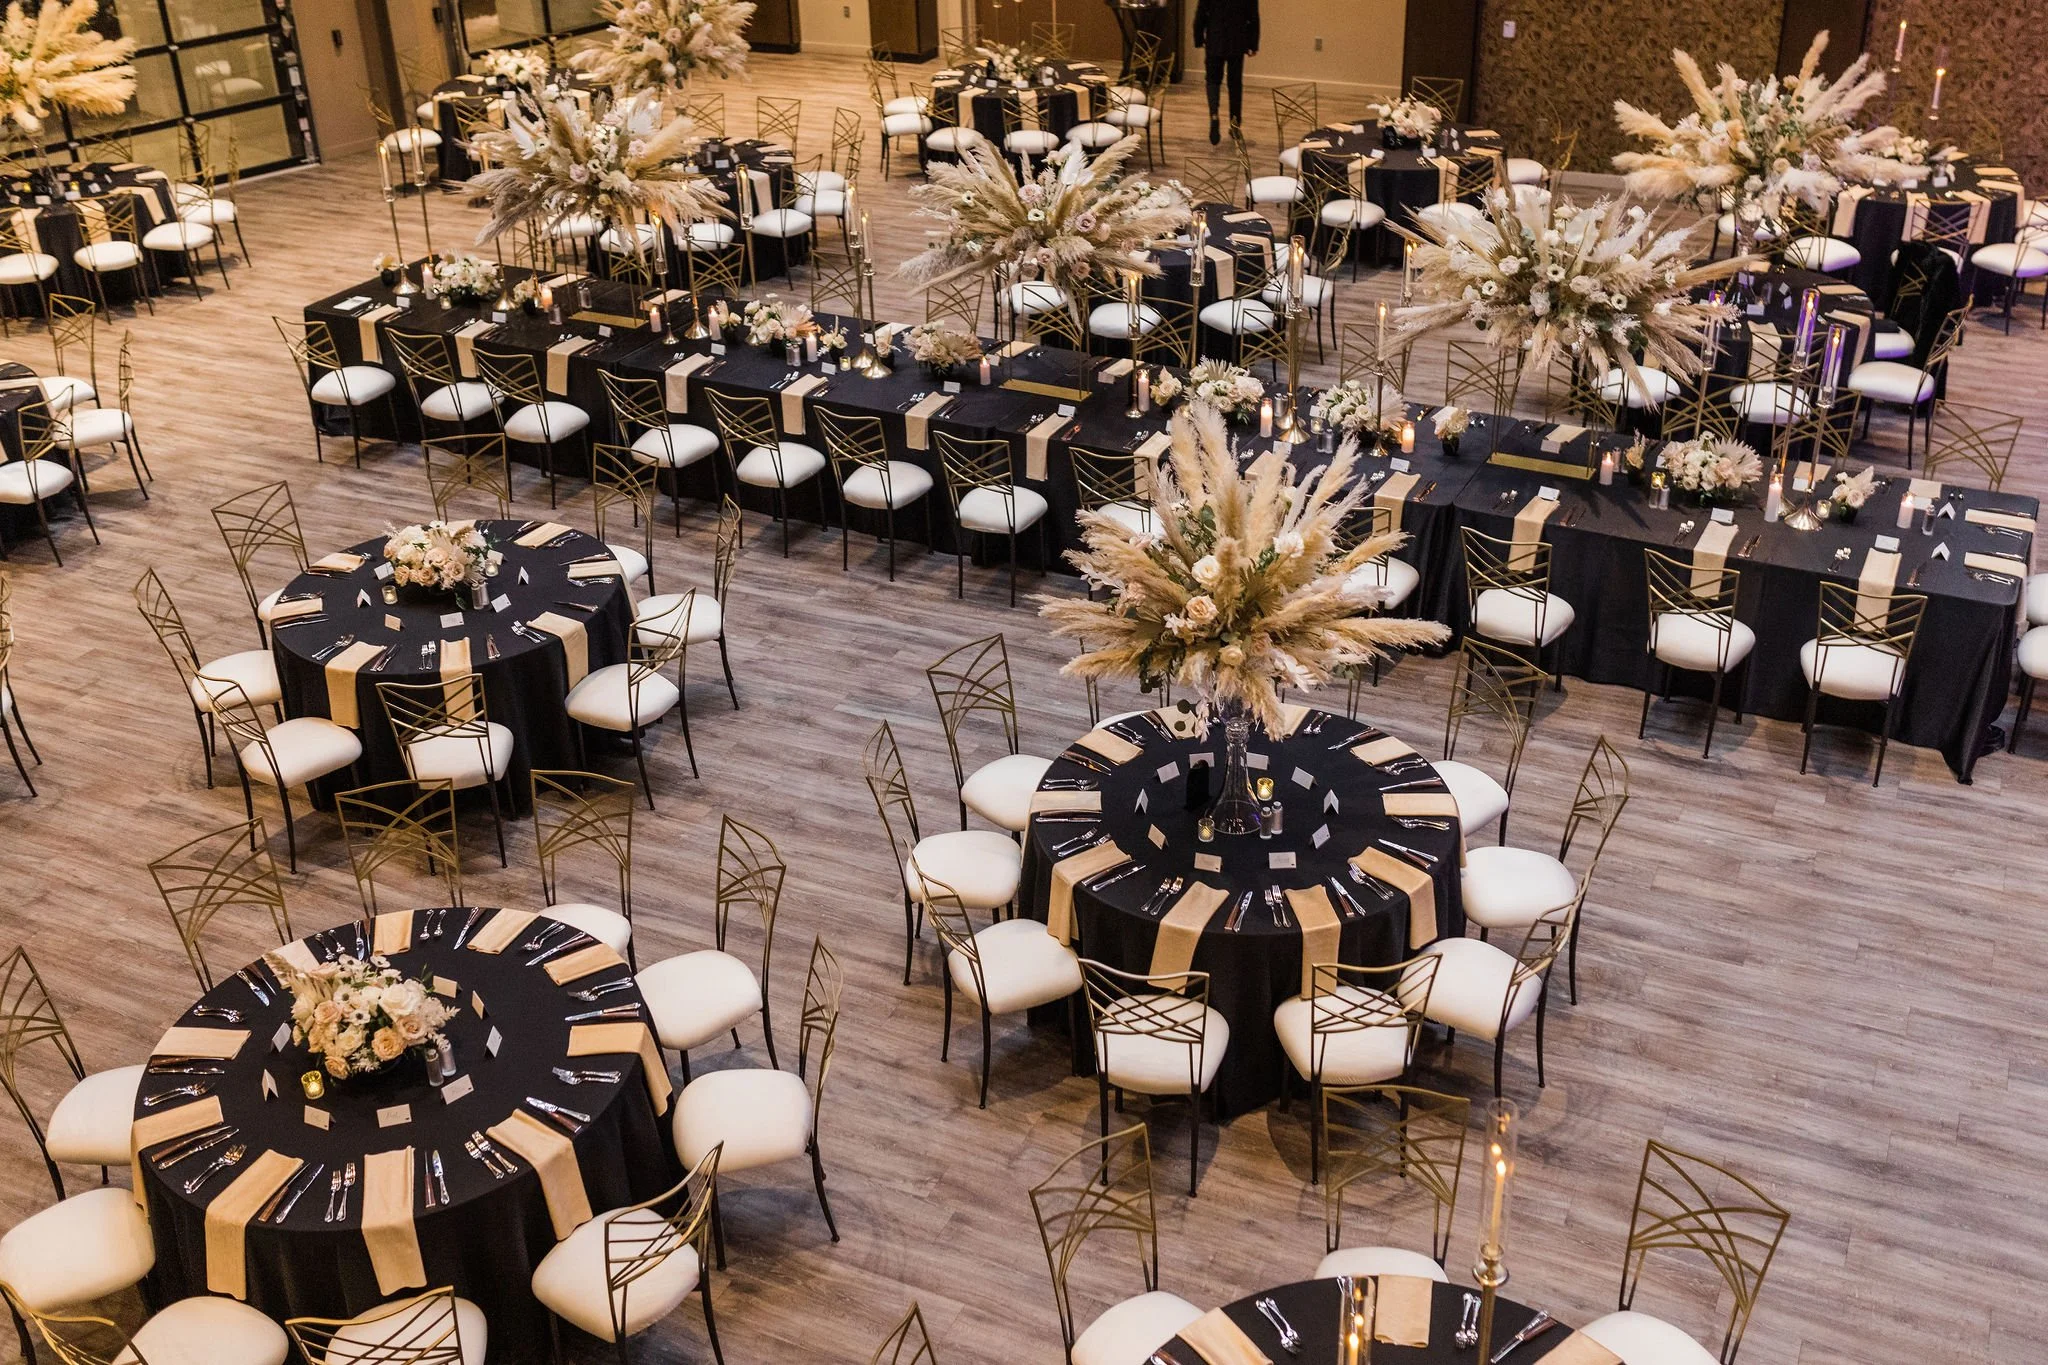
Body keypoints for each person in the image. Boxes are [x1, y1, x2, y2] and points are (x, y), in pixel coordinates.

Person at [1193, 0, 1258, 145]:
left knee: (1212, 80)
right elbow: (1253, 17)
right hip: (1237, 39)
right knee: (1235, 84)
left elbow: (1201, 12)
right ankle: (1235, 125)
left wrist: (1199, 37)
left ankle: (1214, 115)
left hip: (1215, 38)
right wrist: (1253, 43)